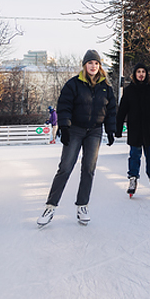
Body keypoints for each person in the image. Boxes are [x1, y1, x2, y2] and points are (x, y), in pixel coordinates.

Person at [37, 50, 117, 227]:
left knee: (89, 169)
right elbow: (64, 105)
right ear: (84, 65)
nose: (93, 66)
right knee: (65, 167)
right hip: (75, 130)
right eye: (90, 63)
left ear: (99, 66)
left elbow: (111, 111)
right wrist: (64, 127)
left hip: (95, 131)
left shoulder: (106, 87)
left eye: (96, 63)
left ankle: (82, 206)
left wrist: (111, 130)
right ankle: (50, 207)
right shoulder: (73, 84)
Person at [116, 62, 150, 196]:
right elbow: (122, 110)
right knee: (134, 155)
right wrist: (118, 128)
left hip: (149, 128)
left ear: (146, 74)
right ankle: (133, 179)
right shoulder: (129, 90)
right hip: (135, 128)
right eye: (138, 72)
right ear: (135, 74)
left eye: (143, 72)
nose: (141, 74)